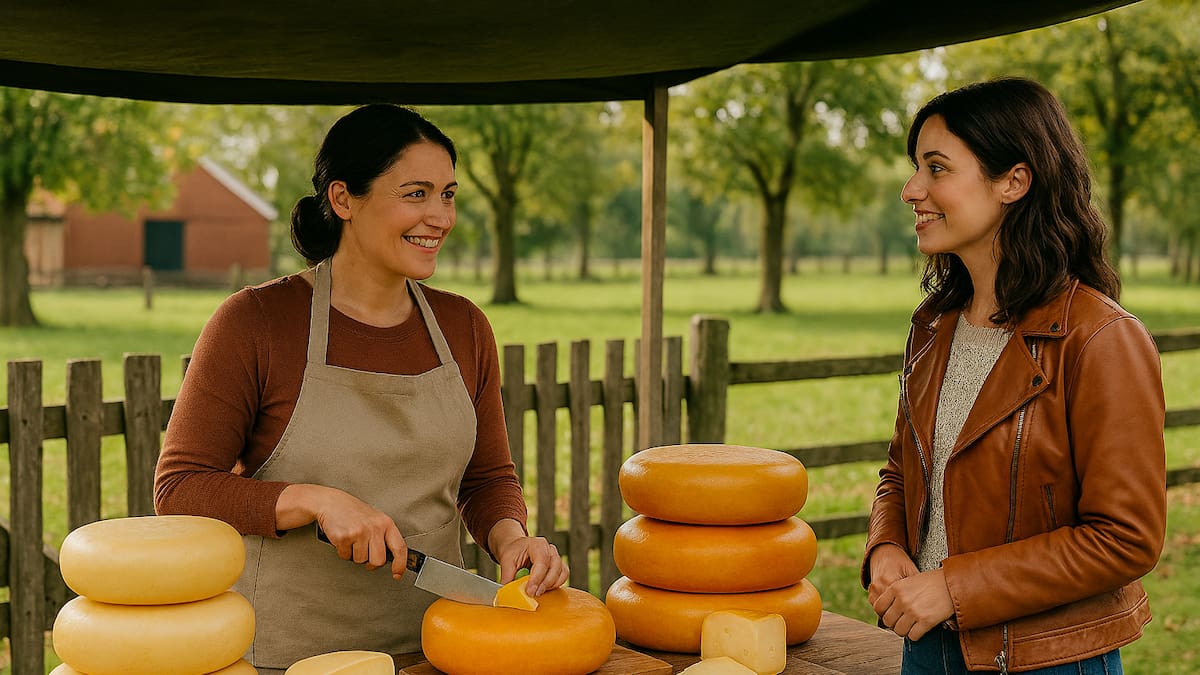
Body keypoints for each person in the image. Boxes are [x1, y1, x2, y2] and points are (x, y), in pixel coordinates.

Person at [154, 104, 568, 671]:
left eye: (447, 194)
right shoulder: (256, 323)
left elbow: (487, 478)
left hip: (439, 649)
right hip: (290, 654)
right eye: (415, 193)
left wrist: (511, 538)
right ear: (344, 199)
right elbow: (179, 489)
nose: (440, 217)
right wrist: (312, 500)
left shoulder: (465, 327)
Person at [862, 77, 1166, 674]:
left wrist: (955, 586)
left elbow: (1125, 537)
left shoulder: (1100, 339)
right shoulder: (934, 328)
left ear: (1013, 181)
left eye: (937, 168)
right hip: (926, 647)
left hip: (1048, 659)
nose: (911, 189)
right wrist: (888, 545)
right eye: (915, 168)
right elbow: (903, 468)